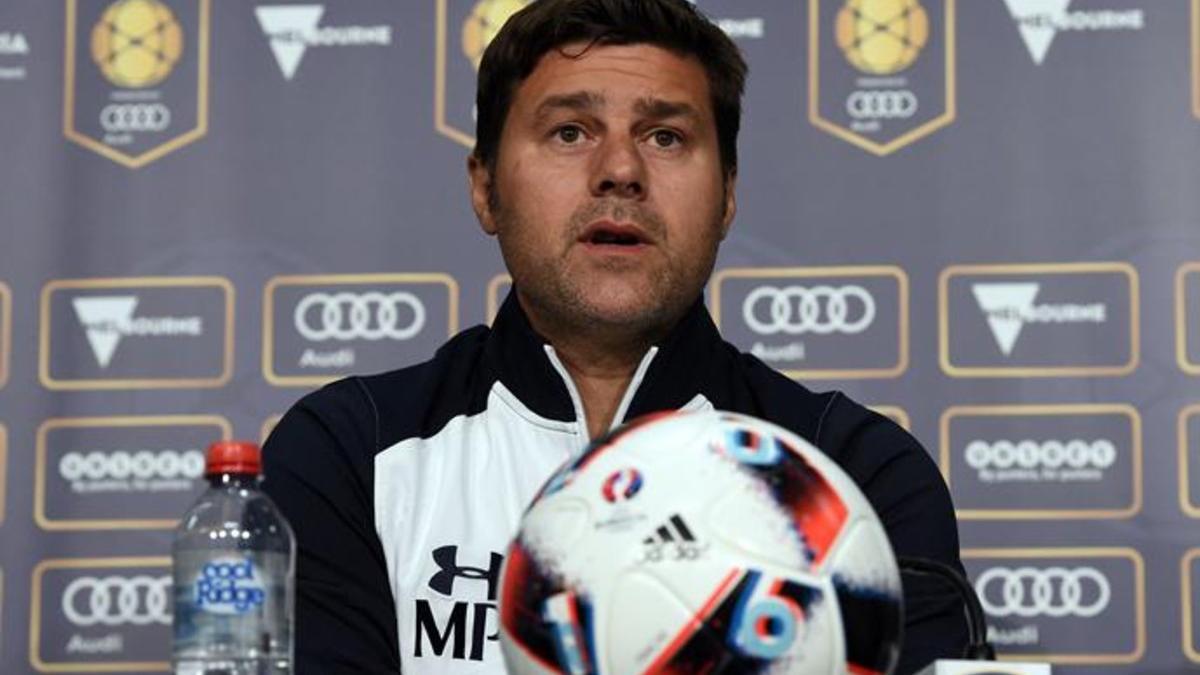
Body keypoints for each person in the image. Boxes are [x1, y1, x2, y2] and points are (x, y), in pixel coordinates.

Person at [262, 0, 967, 672]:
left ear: (726, 194)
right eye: (570, 131)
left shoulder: (856, 477)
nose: (621, 171)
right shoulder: (348, 454)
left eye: (666, 136)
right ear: (484, 188)